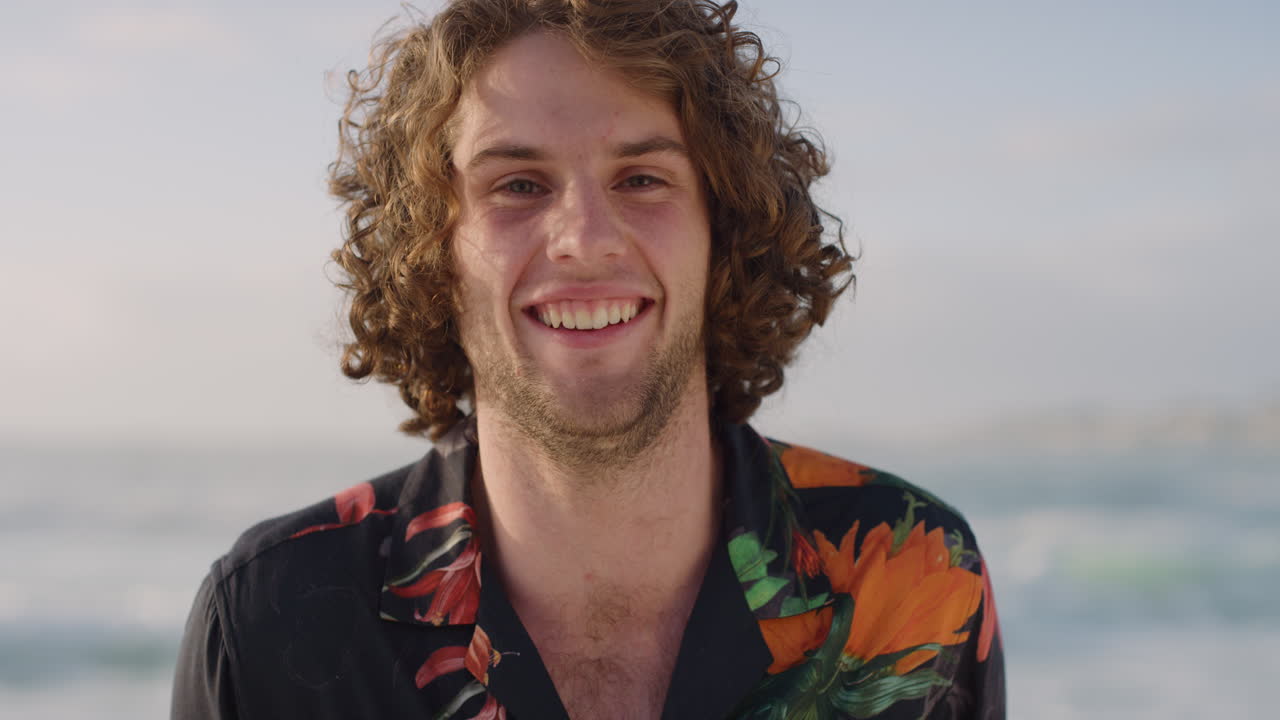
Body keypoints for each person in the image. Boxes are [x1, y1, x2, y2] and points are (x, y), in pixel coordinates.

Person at [171, 0, 1005, 718]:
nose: (585, 239)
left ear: (724, 231)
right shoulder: (268, 622)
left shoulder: (915, 576)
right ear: (430, 250)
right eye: (518, 185)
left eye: (641, 179)